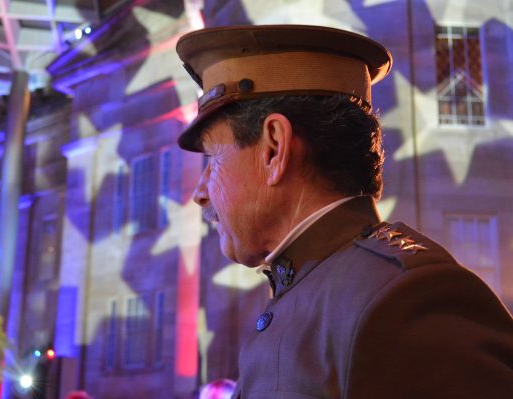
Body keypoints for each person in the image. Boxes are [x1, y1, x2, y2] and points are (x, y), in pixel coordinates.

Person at [175, 25, 513, 398]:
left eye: (214, 159)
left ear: (274, 148)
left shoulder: (404, 298)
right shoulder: (325, 289)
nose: (200, 192)